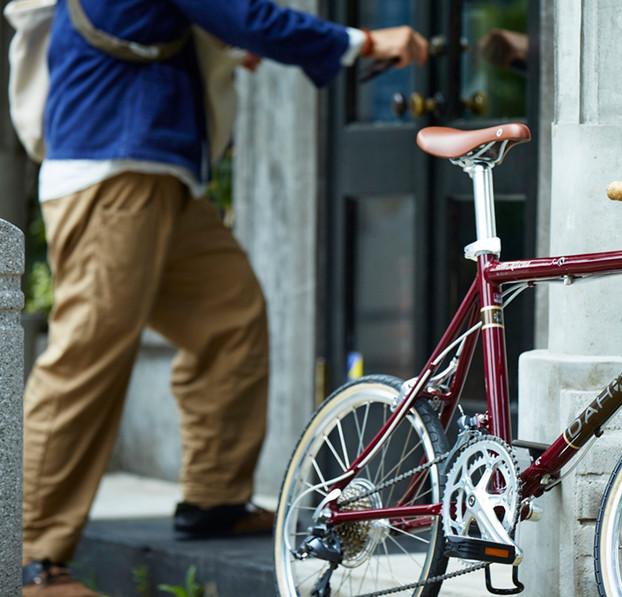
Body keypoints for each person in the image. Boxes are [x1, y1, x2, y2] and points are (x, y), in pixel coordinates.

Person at [20, 1, 427, 595]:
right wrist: (364, 40)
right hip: (110, 169)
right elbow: (240, 11)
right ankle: (28, 554)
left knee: (230, 318)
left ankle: (215, 498)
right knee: (87, 357)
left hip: (155, 171)